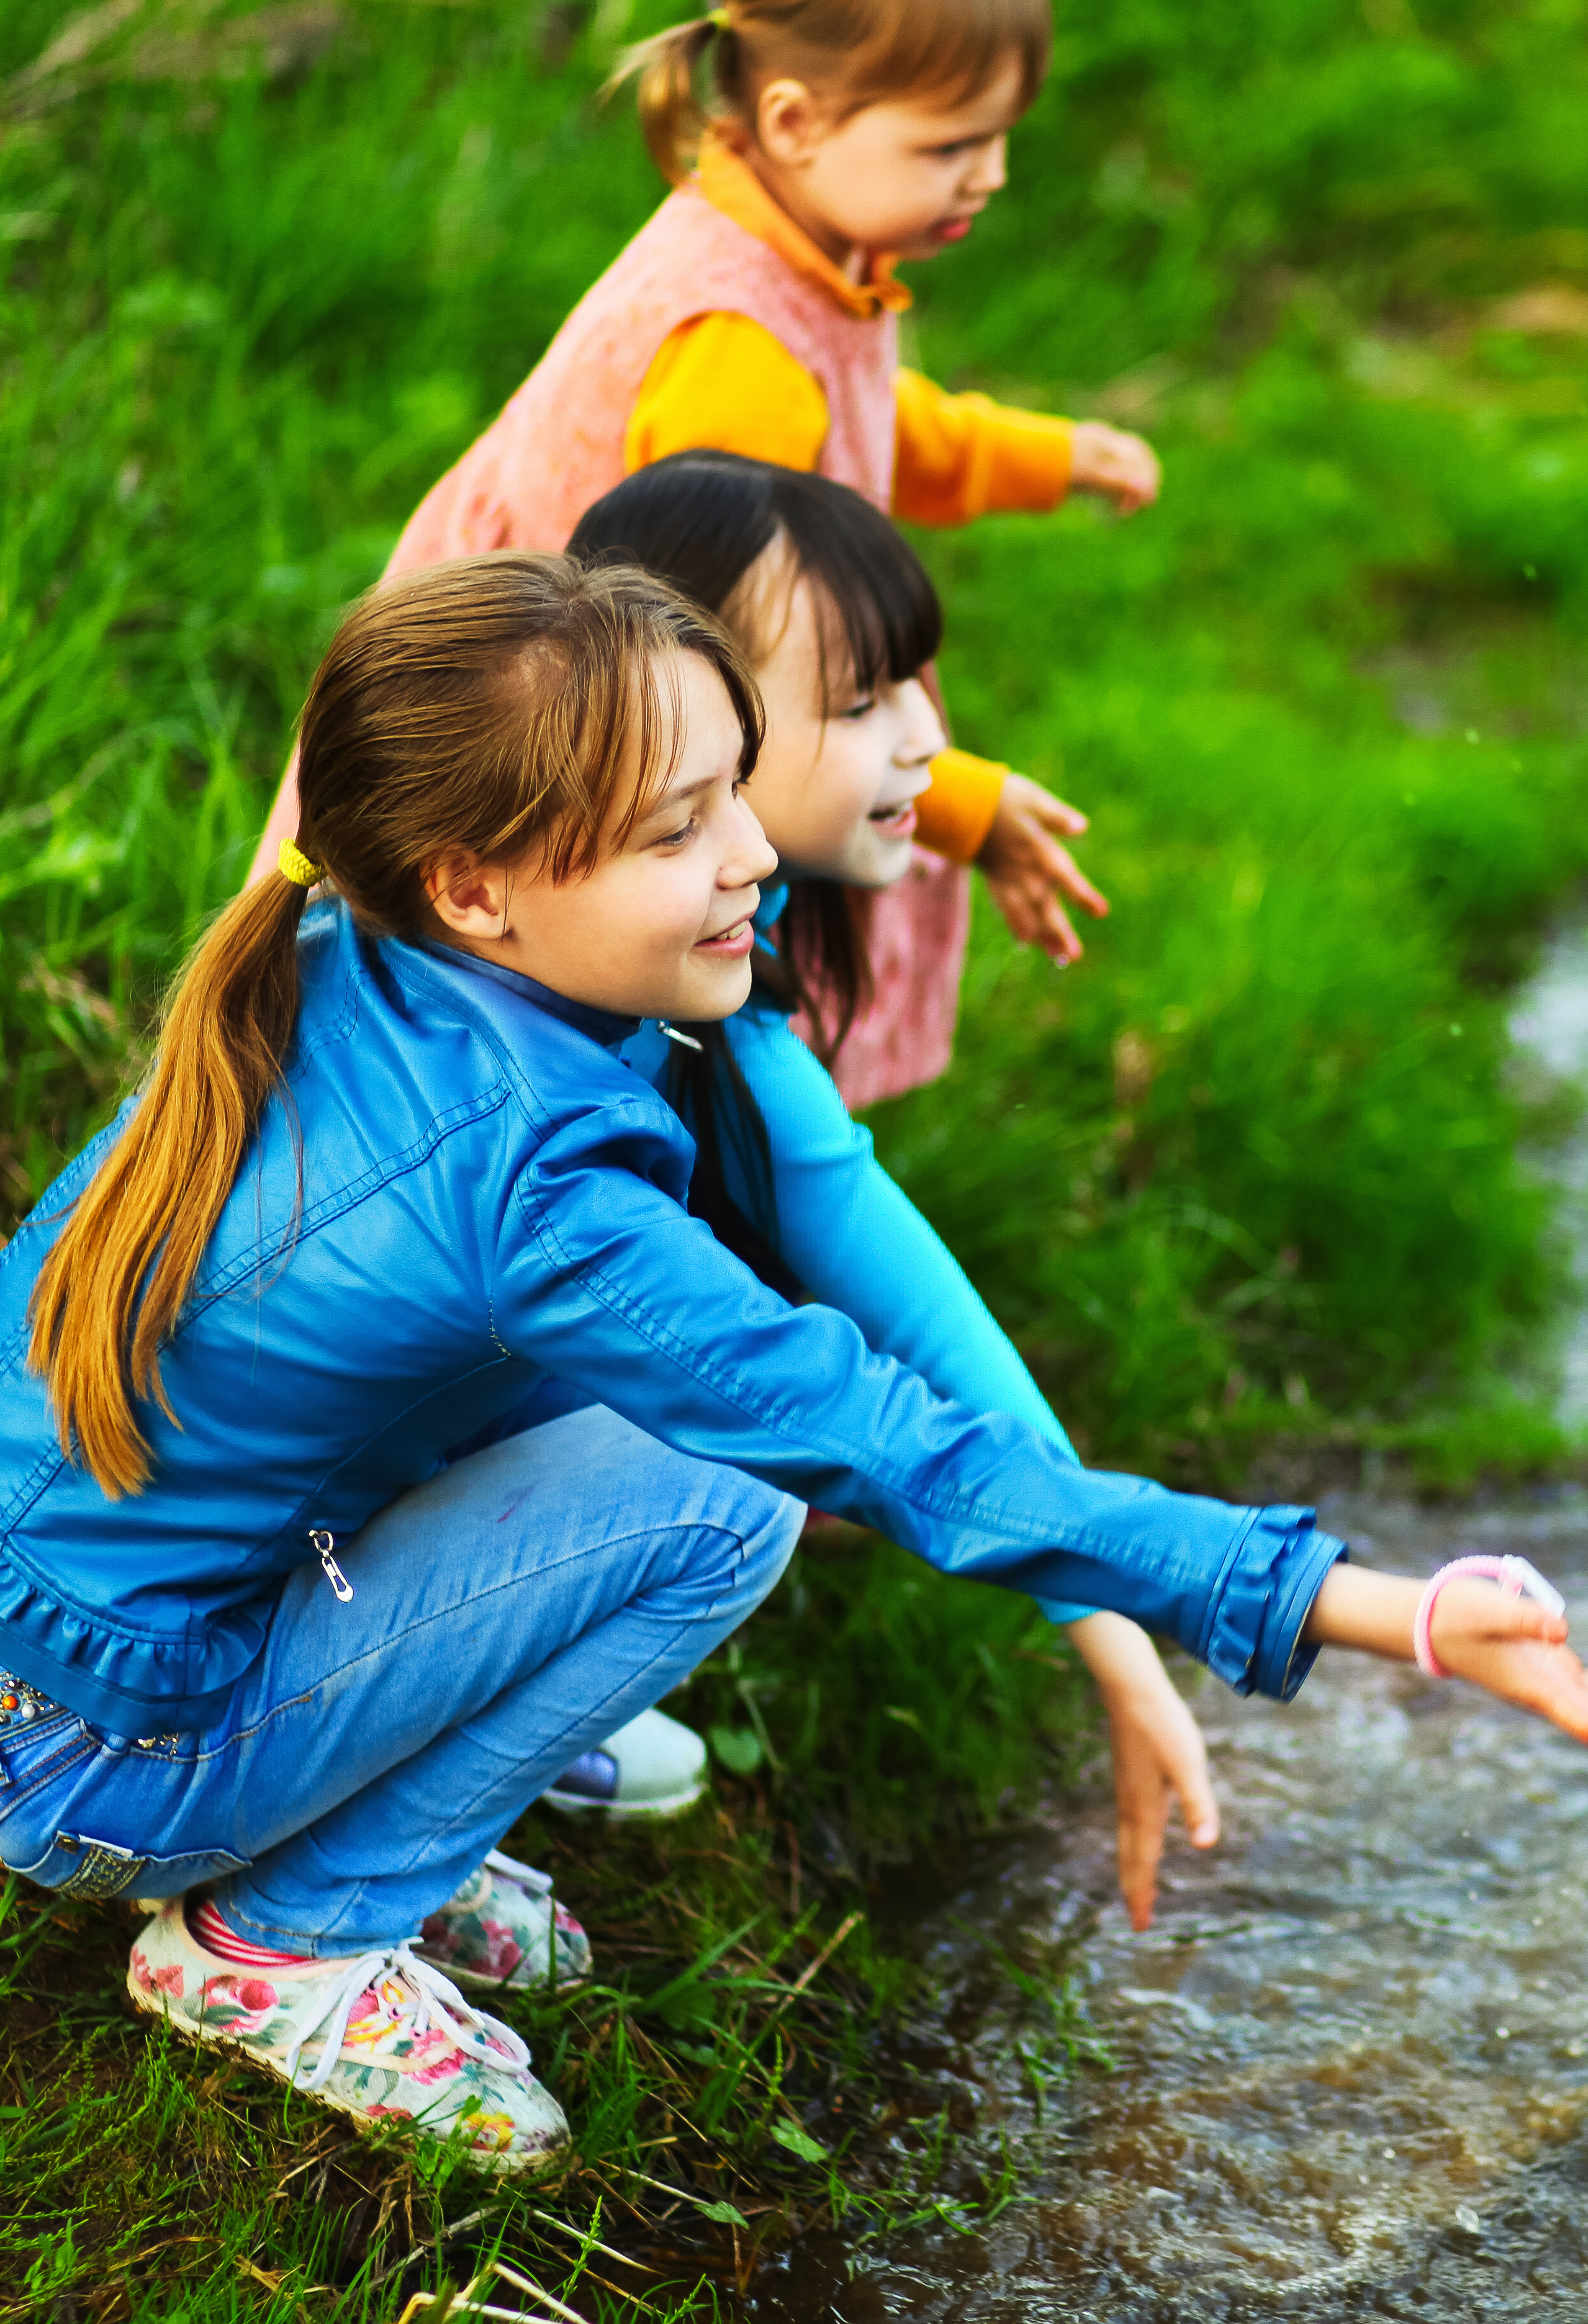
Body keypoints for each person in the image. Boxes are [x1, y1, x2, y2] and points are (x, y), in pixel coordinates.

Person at [0, 554, 1588, 2171]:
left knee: (619, 1403)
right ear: (478, 885)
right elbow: (903, 1454)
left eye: (735, 792)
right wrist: (1385, 1611)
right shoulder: (540, 1185)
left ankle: (356, 1805)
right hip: (82, 1752)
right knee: (727, 1491)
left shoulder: (341, 947)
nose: (751, 862)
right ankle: (284, 1935)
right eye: (675, 832)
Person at [512, 451, 1205, 1927]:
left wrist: (1121, 1639)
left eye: (919, 690)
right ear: (685, 727)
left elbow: (939, 1339)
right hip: (217, 1591)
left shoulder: (667, 1013)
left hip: (147, 1513)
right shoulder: (564, 1040)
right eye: (862, 703)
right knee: (737, 1476)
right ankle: (463, 1730)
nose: (926, 743)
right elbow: (934, 1359)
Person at [246, 0, 1145, 1106]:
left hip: (645, 713)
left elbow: (868, 412)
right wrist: (950, 803)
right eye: (950, 144)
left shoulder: (797, 248)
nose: (992, 173)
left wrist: (1047, 458)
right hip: (563, 747)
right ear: (796, 119)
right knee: (561, 1035)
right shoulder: (739, 360)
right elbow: (747, 688)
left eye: (1001, 138)